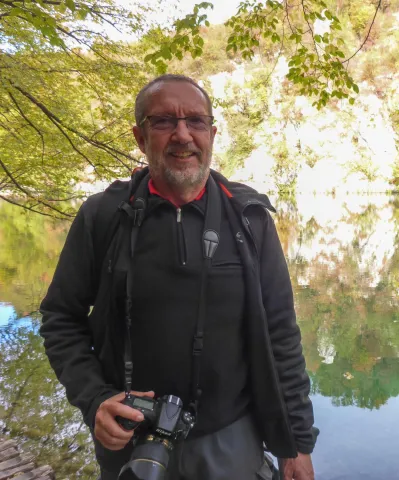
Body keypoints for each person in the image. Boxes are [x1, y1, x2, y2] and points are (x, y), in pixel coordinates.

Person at [39, 74, 317, 479]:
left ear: (212, 134)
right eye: (164, 121)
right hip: (131, 437)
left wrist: (296, 443)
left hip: (231, 436)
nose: (183, 135)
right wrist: (96, 399)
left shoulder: (249, 220)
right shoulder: (103, 217)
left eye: (196, 122)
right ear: (140, 136)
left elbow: (281, 335)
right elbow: (61, 318)